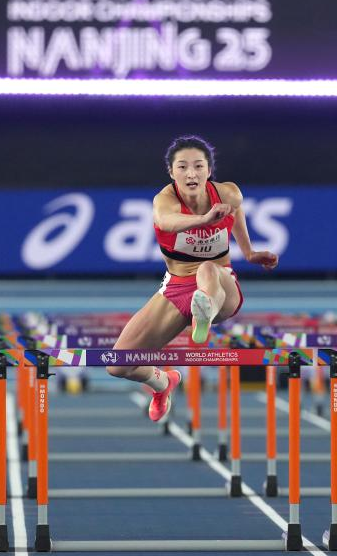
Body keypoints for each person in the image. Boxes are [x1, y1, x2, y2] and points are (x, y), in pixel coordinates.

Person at [107, 136, 279, 420]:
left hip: (221, 285)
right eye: (183, 167)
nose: (191, 174)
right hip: (177, 287)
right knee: (118, 364)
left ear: (209, 170)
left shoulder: (228, 194)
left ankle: (205, 310)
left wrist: (249, 253)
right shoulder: (164, 200)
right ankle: (163, 383)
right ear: (171, 172)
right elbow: (166, 222)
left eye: (199, 166)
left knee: (207, 269)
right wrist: (204, 219)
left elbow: (236, 211)